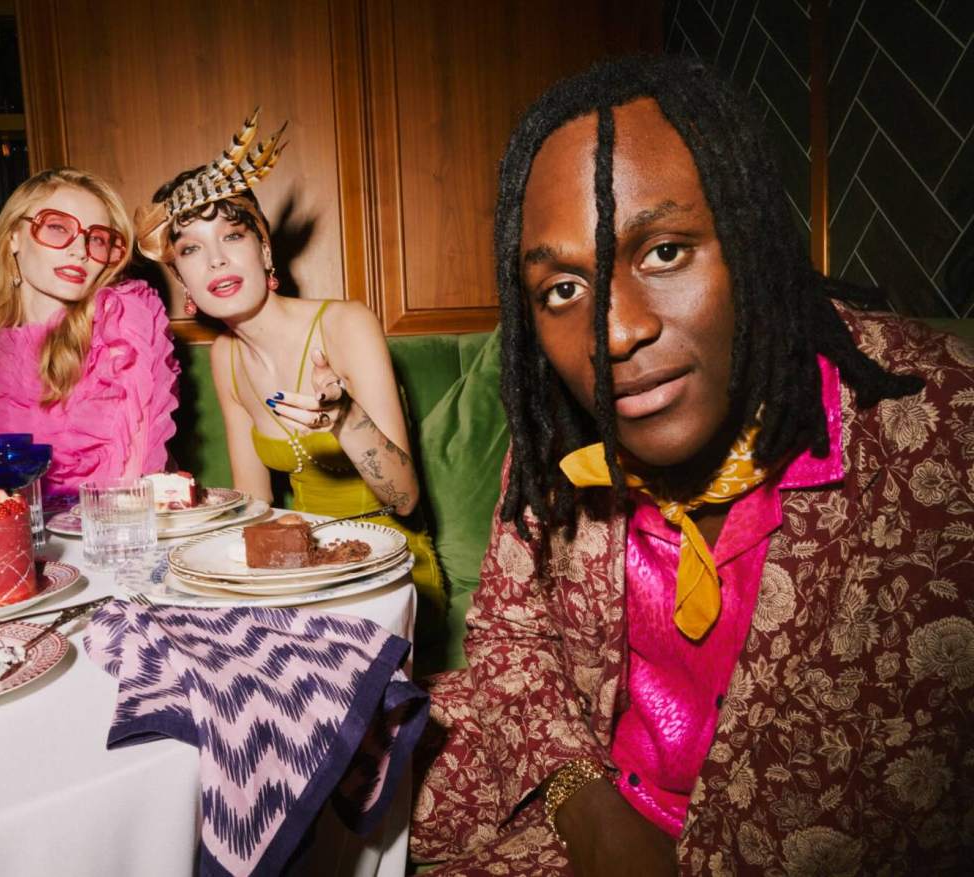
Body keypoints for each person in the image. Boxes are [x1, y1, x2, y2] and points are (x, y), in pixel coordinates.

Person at [410, 55, 974, 875]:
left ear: (752, 240)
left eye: (666, 251)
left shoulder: (941, 437)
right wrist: (589, 807)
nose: (614, 333)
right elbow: (511, 632)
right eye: (564, 288)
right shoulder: (560, 441)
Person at [135, 111, 443, 615]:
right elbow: (253, 510)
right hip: (299, 573)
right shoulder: (227, 356)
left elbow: (406, 500)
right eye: (192, 249)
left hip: (388, 571)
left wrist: (344, 418)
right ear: (182, 278)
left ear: (263, 248)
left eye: (232, 236)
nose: (216, 261)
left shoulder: (346, 325)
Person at [0, 167, 179, 502]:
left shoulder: (123, 325)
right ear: (14, 235)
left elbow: (132, 488)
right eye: (57, 227)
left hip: (112, 533)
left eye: (98, 238)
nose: (81, 251)